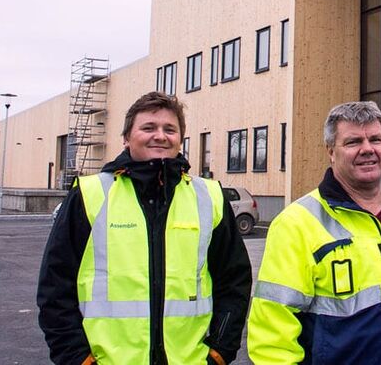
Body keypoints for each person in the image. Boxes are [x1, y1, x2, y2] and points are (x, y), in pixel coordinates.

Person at [37, 91, 252, 365]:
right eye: (148, 127)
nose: (160, 136)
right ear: (127, 138)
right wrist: (76, 358)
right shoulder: (91, 195)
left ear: (180, 139)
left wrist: (220, 352)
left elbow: (234, 281)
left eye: (169, 129)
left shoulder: (208, 196)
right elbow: (55, 288)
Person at [247, 101, 381, 364]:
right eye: (353, 142)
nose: (368, 149)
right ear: (331, 152)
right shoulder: (296, 224)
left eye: (376, 139)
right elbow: (272, 338)